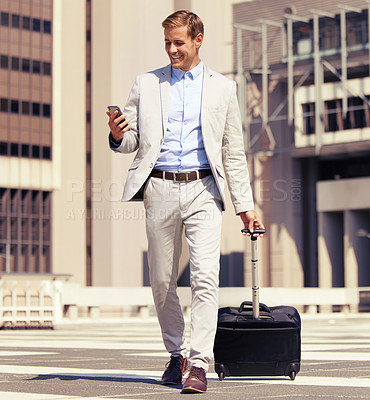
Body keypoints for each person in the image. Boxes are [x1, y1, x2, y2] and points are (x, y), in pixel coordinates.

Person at [107, 10, 264, 394]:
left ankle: (198, 363)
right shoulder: (147, 83)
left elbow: (233, 152)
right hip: (159, 186)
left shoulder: (223, 89)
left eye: (179, 42)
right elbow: (132, 142)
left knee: (206, 276)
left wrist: (246, 205)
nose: (172, 50)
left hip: (204, 190)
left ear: (198, 40)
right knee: (161, 280)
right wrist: (116, 133)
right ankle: (175, 354)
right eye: (167, 43)